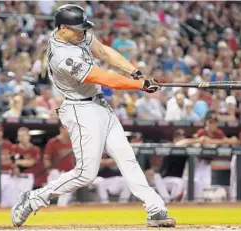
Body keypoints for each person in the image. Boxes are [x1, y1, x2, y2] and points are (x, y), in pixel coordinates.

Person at [11, 4, 175, 228]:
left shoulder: (76, 36)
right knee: (86, 174)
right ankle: (33, 199)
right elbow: (103, 78)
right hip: (80, 110)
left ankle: (155, 207)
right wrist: (139, 85)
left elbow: (103, 51)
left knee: (127, 157)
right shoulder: (62, 56)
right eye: (77, 29)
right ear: (63, 29)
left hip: (100, 106)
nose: (83, 33)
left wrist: (135, 73)